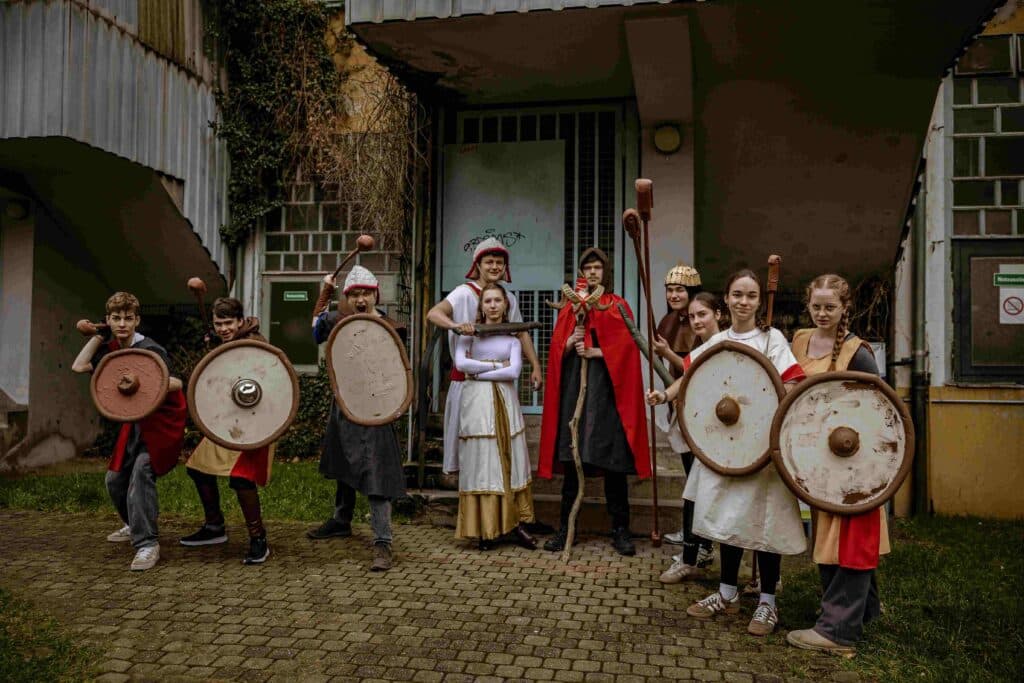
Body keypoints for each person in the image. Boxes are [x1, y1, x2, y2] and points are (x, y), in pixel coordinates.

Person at [647, 269, 806, 636]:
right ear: (727, 300)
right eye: (737, 294)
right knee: (728, 521)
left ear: (757, 300)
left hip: (763, 449)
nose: (744, 301)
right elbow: (690, 380)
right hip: (725, 448)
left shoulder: (772, 341)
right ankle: (727, 592)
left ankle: (767, 602)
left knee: (766, 525)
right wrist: (665, 396)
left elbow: (792, 381)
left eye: (751, 295)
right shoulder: (712, 345)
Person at [786, 274, 889, 655]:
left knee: (850, 539)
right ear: (807, 305)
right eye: (816, 306)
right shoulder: (799, 340)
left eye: (830, 307)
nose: (822, 313)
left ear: (845, 307)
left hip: (854, 461)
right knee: (828, 535)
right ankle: (863, 613)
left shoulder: (857, 352)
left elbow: (877, 410)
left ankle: (837, 632)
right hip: (816, 458)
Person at [538, 248, 650, 556]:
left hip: (608, 398)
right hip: (576, 397)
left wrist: (598, 352)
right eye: (587, 267)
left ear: (606, 272)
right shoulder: (569, 309)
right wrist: (572, 346)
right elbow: (558, 352)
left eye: (597, 267)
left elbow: (629, 348)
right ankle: (565, 528)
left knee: (613, 464)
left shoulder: (617, 306)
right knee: (574, 462)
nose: (592, 272)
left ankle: (620, 529)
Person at [71, 291, 187, 571]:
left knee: (140, 473)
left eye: (128, 318)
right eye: (115, 318)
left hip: (161, 423)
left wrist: (144, 383)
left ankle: (147, 543)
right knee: (114, 480)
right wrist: (98, 334)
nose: (122, 324)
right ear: (108, 320)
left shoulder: (151, 349)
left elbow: (176, 383)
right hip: (134, 424)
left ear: (137, 321)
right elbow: (79, 366)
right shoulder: (111, 350)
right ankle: (133, 523)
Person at [306, 266, 406, 572]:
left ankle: (383, 542)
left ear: (376, 294)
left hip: (377, 408)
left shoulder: (390, 328)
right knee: (344, 461)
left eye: (366, 293)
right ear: (348, 298)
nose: (361, 299)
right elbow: (314, 331)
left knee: (377, 472)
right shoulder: (338, 321)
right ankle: (341, 519)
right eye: (355, 294)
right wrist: (325, 293)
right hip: (346, 404)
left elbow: (398, 371)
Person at [426, 238, 542, 477]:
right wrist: (457, 326)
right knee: (467, 444)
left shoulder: (507, 297)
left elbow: (520, 332)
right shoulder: (463, 293)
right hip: (467, 380)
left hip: (501, 382)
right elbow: (434, 313)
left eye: (499, 262)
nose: (494, 267)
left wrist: (536, 367)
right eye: (489, 262)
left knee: (498, 445)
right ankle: (470, 506)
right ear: (478, 265)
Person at [180, 297, 275, 565]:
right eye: (218, 323)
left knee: (242, 478)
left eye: (228, 323)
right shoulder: (224, 345)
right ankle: (214, 527)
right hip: (227, 423)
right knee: (197, 468)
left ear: (241, 321)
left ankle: (259, 539)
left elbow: (268, 383)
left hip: (255, 424)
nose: (223, 328)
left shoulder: (255, 345)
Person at [453, 283, 537, 551]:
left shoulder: (513, 338)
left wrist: (478, 372)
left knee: (511, 456)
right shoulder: (470, 334)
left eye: (497, 300)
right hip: (477, 404)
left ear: (505, 304)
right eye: (487, 300)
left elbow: (513, 372)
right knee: (483, 460)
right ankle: (485, 529)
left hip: (505, 400)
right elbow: (460, 364)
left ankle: (515, 524)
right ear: (481, 306)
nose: (492, 305)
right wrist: (493, 367)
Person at [658, 292, 724, 583]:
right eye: (694, 315)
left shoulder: (732, 344)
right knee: (694, 492)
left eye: (703, 314)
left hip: (728, 432)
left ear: (718, 314)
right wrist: (664, 395)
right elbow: (684, 378)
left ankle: (710, 554)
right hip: (700, 427)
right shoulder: (697, 351)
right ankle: (690, 556)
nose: (696, 320)